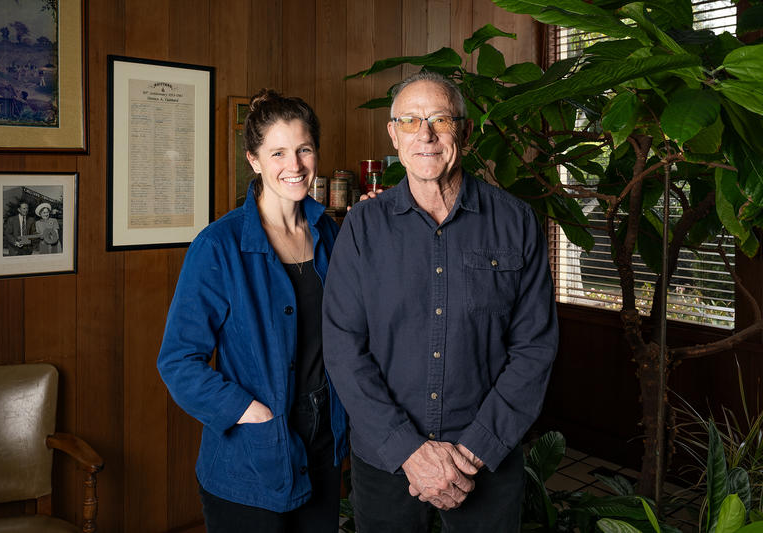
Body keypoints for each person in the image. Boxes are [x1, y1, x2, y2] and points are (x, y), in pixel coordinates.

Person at [322, 70, 559, 533]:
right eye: (409, 121)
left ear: (465, 132)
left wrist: (471, 453)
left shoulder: (516, 223)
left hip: (484, 463)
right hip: (387, 461)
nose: (424, 135)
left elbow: (535, 348)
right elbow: (343, 347)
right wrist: (409, 452)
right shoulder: (363, 227)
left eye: (439, 120)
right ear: (393, 134)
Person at [157, 89, 348, 533]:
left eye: (304, 149)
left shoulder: (330, 234)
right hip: (251, 454)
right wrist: (252, 413)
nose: (295, 165)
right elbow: (178, 362)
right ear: (254, 160)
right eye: (278, 152)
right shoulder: (218, 245)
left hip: (323, 446)